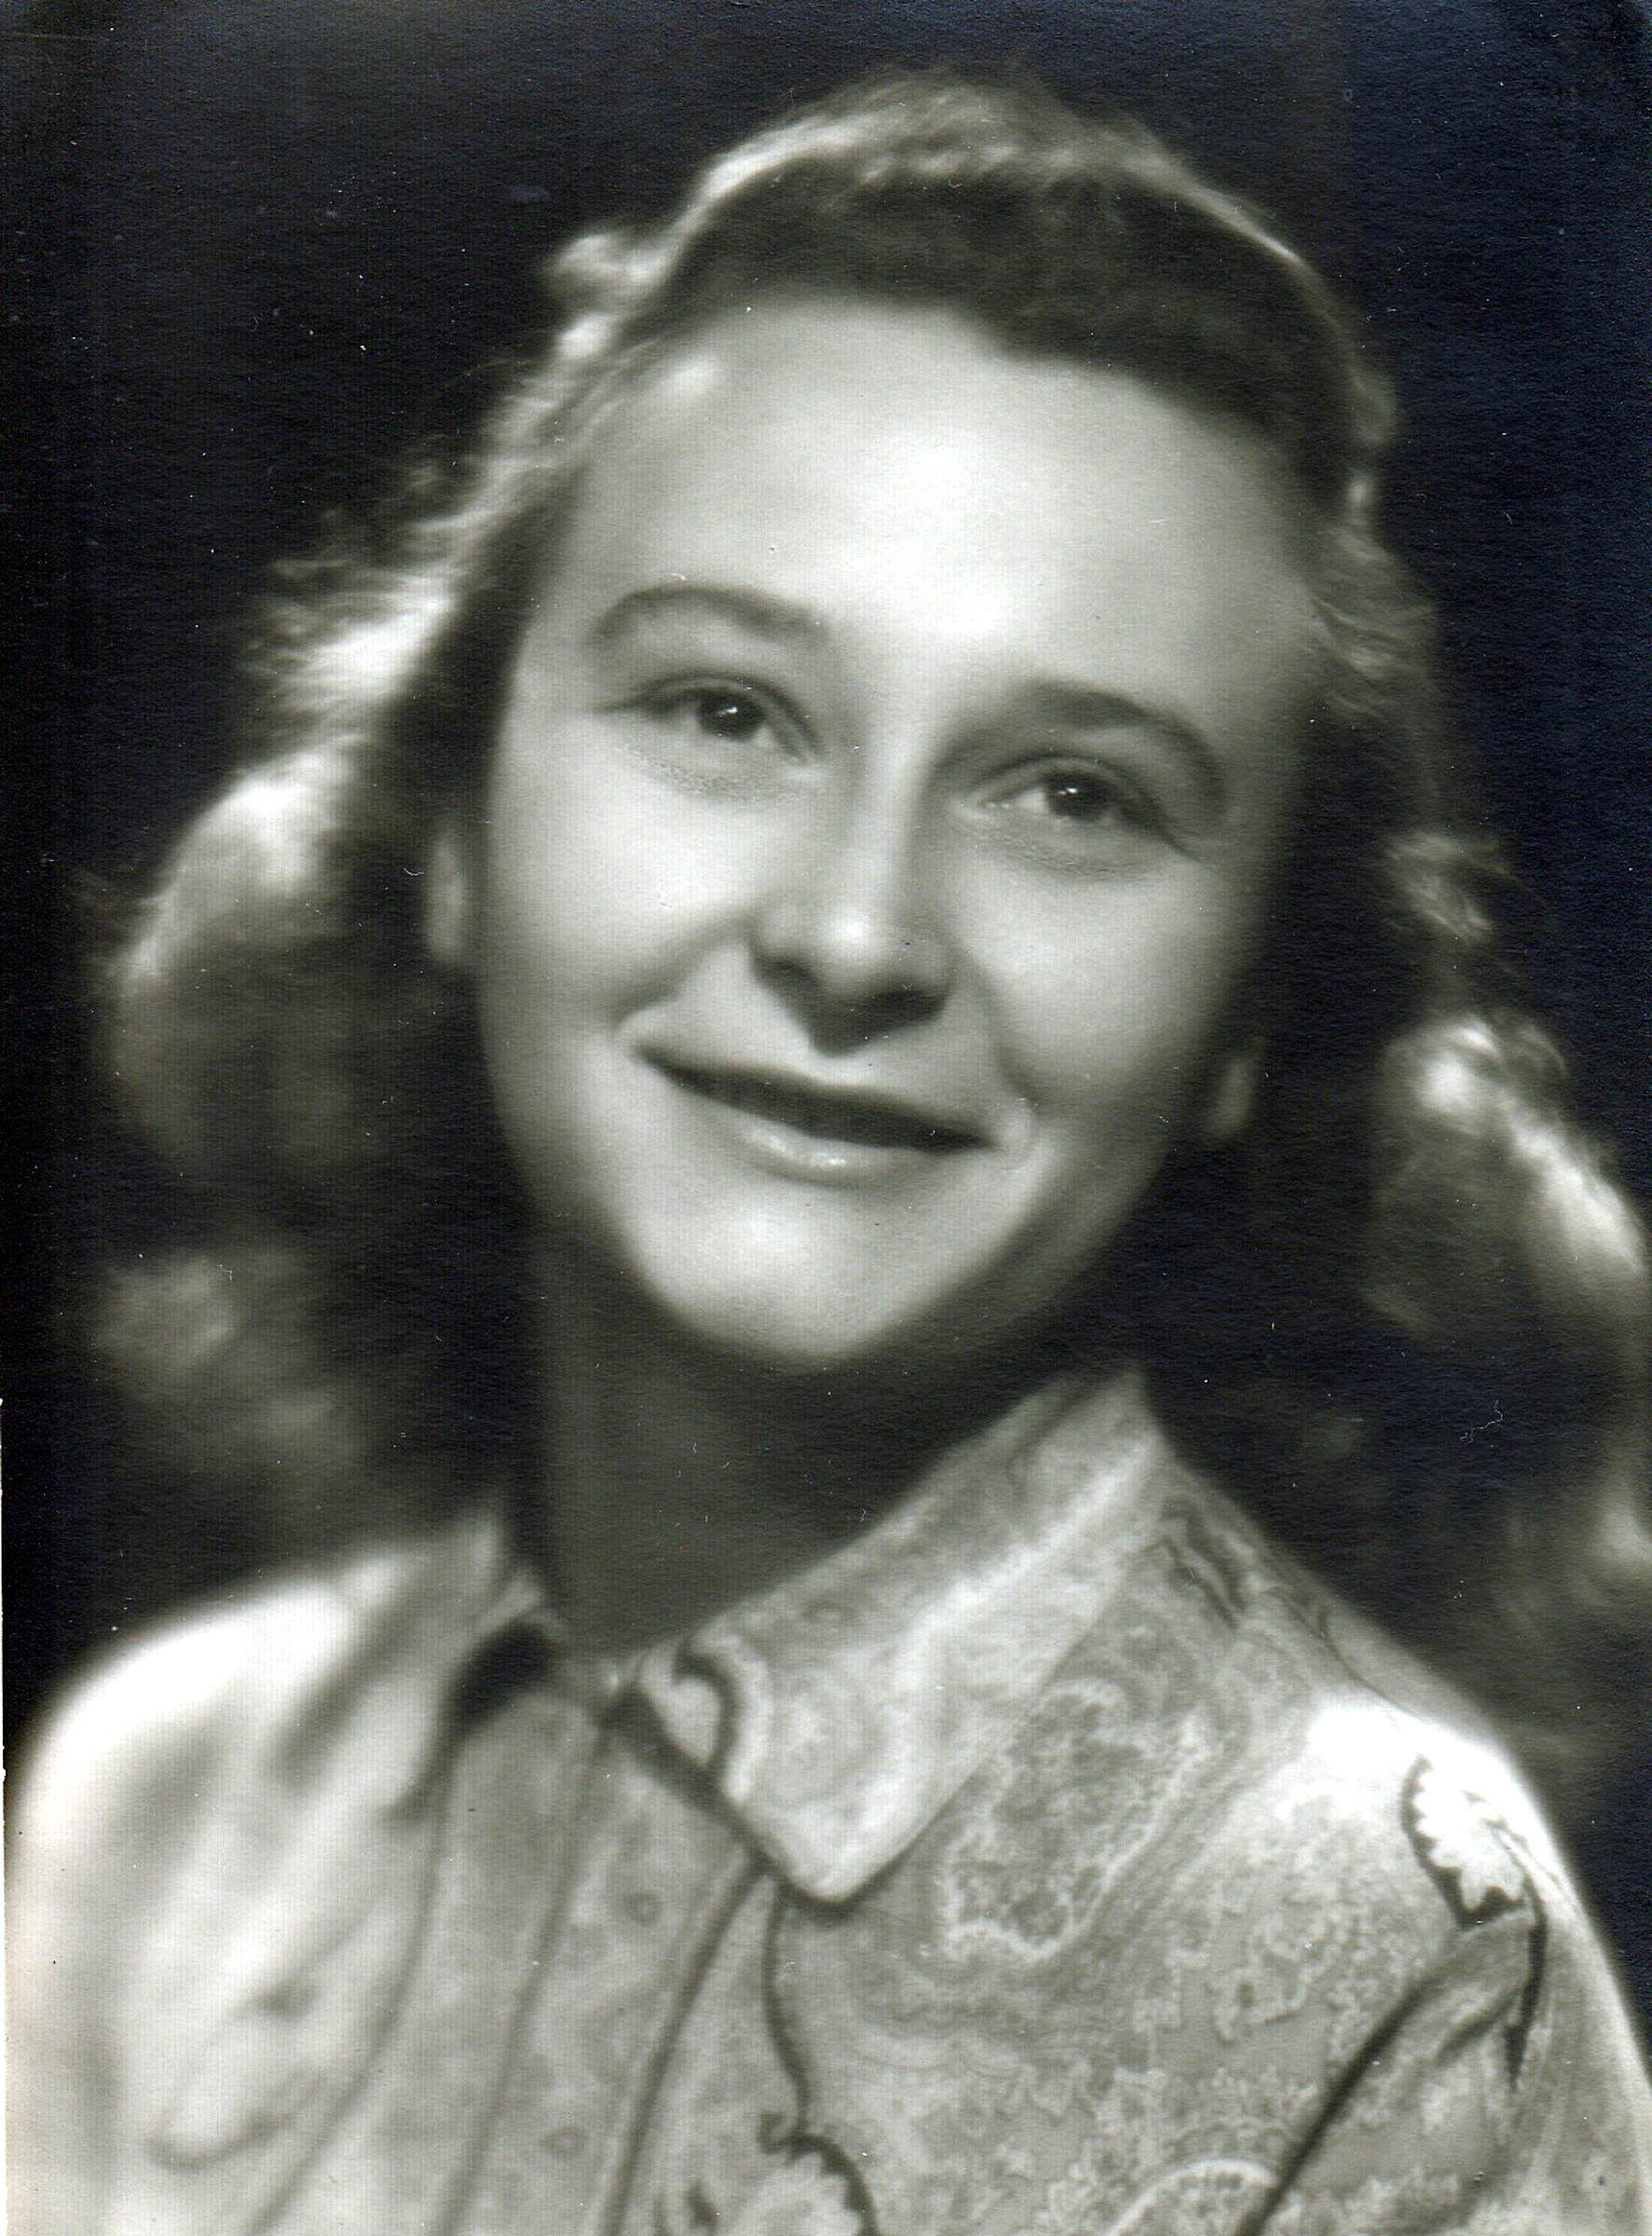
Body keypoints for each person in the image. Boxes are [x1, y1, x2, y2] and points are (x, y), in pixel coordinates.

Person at [12, 67, 1652, 2236]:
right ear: (452, 833)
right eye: (724, 710)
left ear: (1250, 1015)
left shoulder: (1386, 1956)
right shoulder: (161, 1801)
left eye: (1072, 795)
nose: (857, 936)